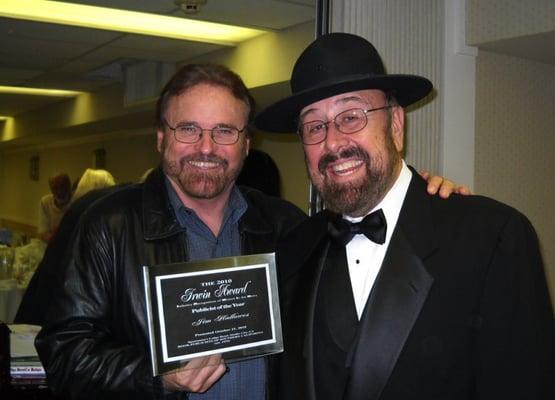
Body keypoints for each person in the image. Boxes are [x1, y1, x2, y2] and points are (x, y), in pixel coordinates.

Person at [34, 63, 463, 400]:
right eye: (189, 130)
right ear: (161, 138)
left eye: (224, 131)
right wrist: (156, 376)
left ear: (245, 144)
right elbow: (63, 354)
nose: (206, 147)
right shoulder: (106, 225)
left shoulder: (286, 227)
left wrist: (421, 199)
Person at [254, 33, 555, 400]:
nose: (332, 143)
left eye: (351, 116)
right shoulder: (292, 250)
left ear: (396, 125)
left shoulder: (493, 238)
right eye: (315, 126)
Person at [37, 172, 72, 242]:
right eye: (55, 188)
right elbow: (43, 232)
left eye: (62, 186)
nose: (59, 191)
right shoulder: (45, 202)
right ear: (50, 189)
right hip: (52, 244)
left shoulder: (77, 200)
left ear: (69, 186)